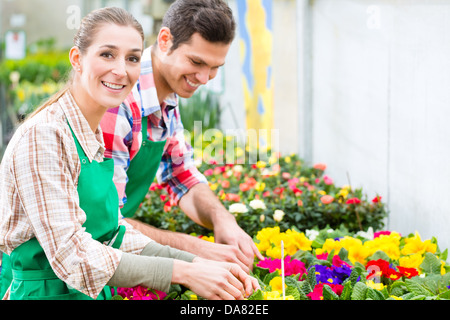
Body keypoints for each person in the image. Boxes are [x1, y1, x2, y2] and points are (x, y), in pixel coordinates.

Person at [0, 7, 259, 300]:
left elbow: (112, 232)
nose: (121, 70)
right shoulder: (45, 135)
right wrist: (184, 270)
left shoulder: (91, 132)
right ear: (77, 59)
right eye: (107, 54)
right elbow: (72, 255)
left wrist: (197, 263)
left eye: (133, 58)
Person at [100, 0, 264, 274]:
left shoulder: (165, 94)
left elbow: (181, 173)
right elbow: (103, 224)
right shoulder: (120, 102)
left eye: (215, 67)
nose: (204, 77)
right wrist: (195, 249)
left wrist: (222, 219)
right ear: (165, 40)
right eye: (196, 61)